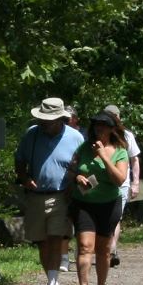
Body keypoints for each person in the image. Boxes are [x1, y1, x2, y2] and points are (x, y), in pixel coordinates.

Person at [15, 97, 84, 285]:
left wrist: (77, 185)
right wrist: (25, 179)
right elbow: (19, 160)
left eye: (50, 120)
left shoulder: (75, 138)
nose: (45, 123)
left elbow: (84, 166)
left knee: (55, 239)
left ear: (61, 119)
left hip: (62, 196)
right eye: (43, 119)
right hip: (36, 197)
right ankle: (52, 281)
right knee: (43, 243)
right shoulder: (32, 135)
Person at [67, 111, 128, 285]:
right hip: (83, 204)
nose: (98, 128)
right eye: (96, 125)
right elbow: (71, 170)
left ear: (112, 129)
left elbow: (119, 179)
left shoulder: (120, 151)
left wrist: (103, 155)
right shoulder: (84, 147)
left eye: (103, 125)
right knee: (85, 246)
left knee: (103, 250)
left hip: (109, 205)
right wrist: (77, 178)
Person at [103, 104, 140, 268]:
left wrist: (135, 182)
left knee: (115, 216)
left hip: (122, 182)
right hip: (102, 182)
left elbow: (134, 160)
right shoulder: (98, 134)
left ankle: (111, 250)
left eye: (113, 115)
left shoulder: (127, 135)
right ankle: (105, 248)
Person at [59, 104, 83, 273]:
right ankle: (64, 257)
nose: (64, 122)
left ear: (75, 120)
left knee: (81, 224)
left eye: (67, 119)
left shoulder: (81, 137)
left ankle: (81, 255)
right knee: (64, 223)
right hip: (61, 186)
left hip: (79, 186)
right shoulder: (54, 136)